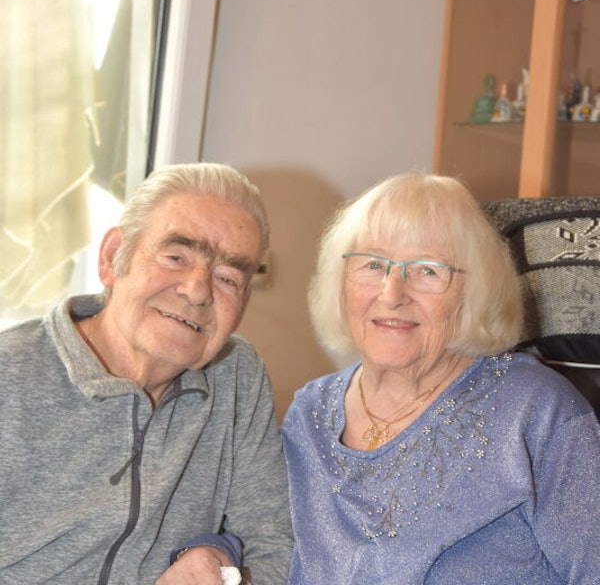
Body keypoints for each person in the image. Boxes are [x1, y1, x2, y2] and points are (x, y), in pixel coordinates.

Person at [281, 173, 600, 584]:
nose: (392, 294)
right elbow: (266, 542)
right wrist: (216, 547)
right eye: (373, 264)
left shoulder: (535, 409)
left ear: (475, 293)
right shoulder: (310, 414)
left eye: (428, 271)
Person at [0, 163, 292, 584]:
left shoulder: (236, 377)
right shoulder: (10, 375)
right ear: (111, 257)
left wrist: (229, 574)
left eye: (228, 278)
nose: (197, 290)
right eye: (176, 257)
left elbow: (274, 545)